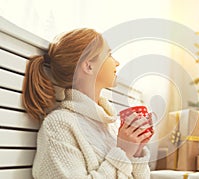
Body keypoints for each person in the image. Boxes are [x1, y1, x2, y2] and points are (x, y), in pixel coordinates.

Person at [22, 28, 154, 178]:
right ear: (89, 66)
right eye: (109, 55)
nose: (117, 63)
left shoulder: (111, 126)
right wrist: (122, 152)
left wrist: (135, 152)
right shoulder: (58, 125)